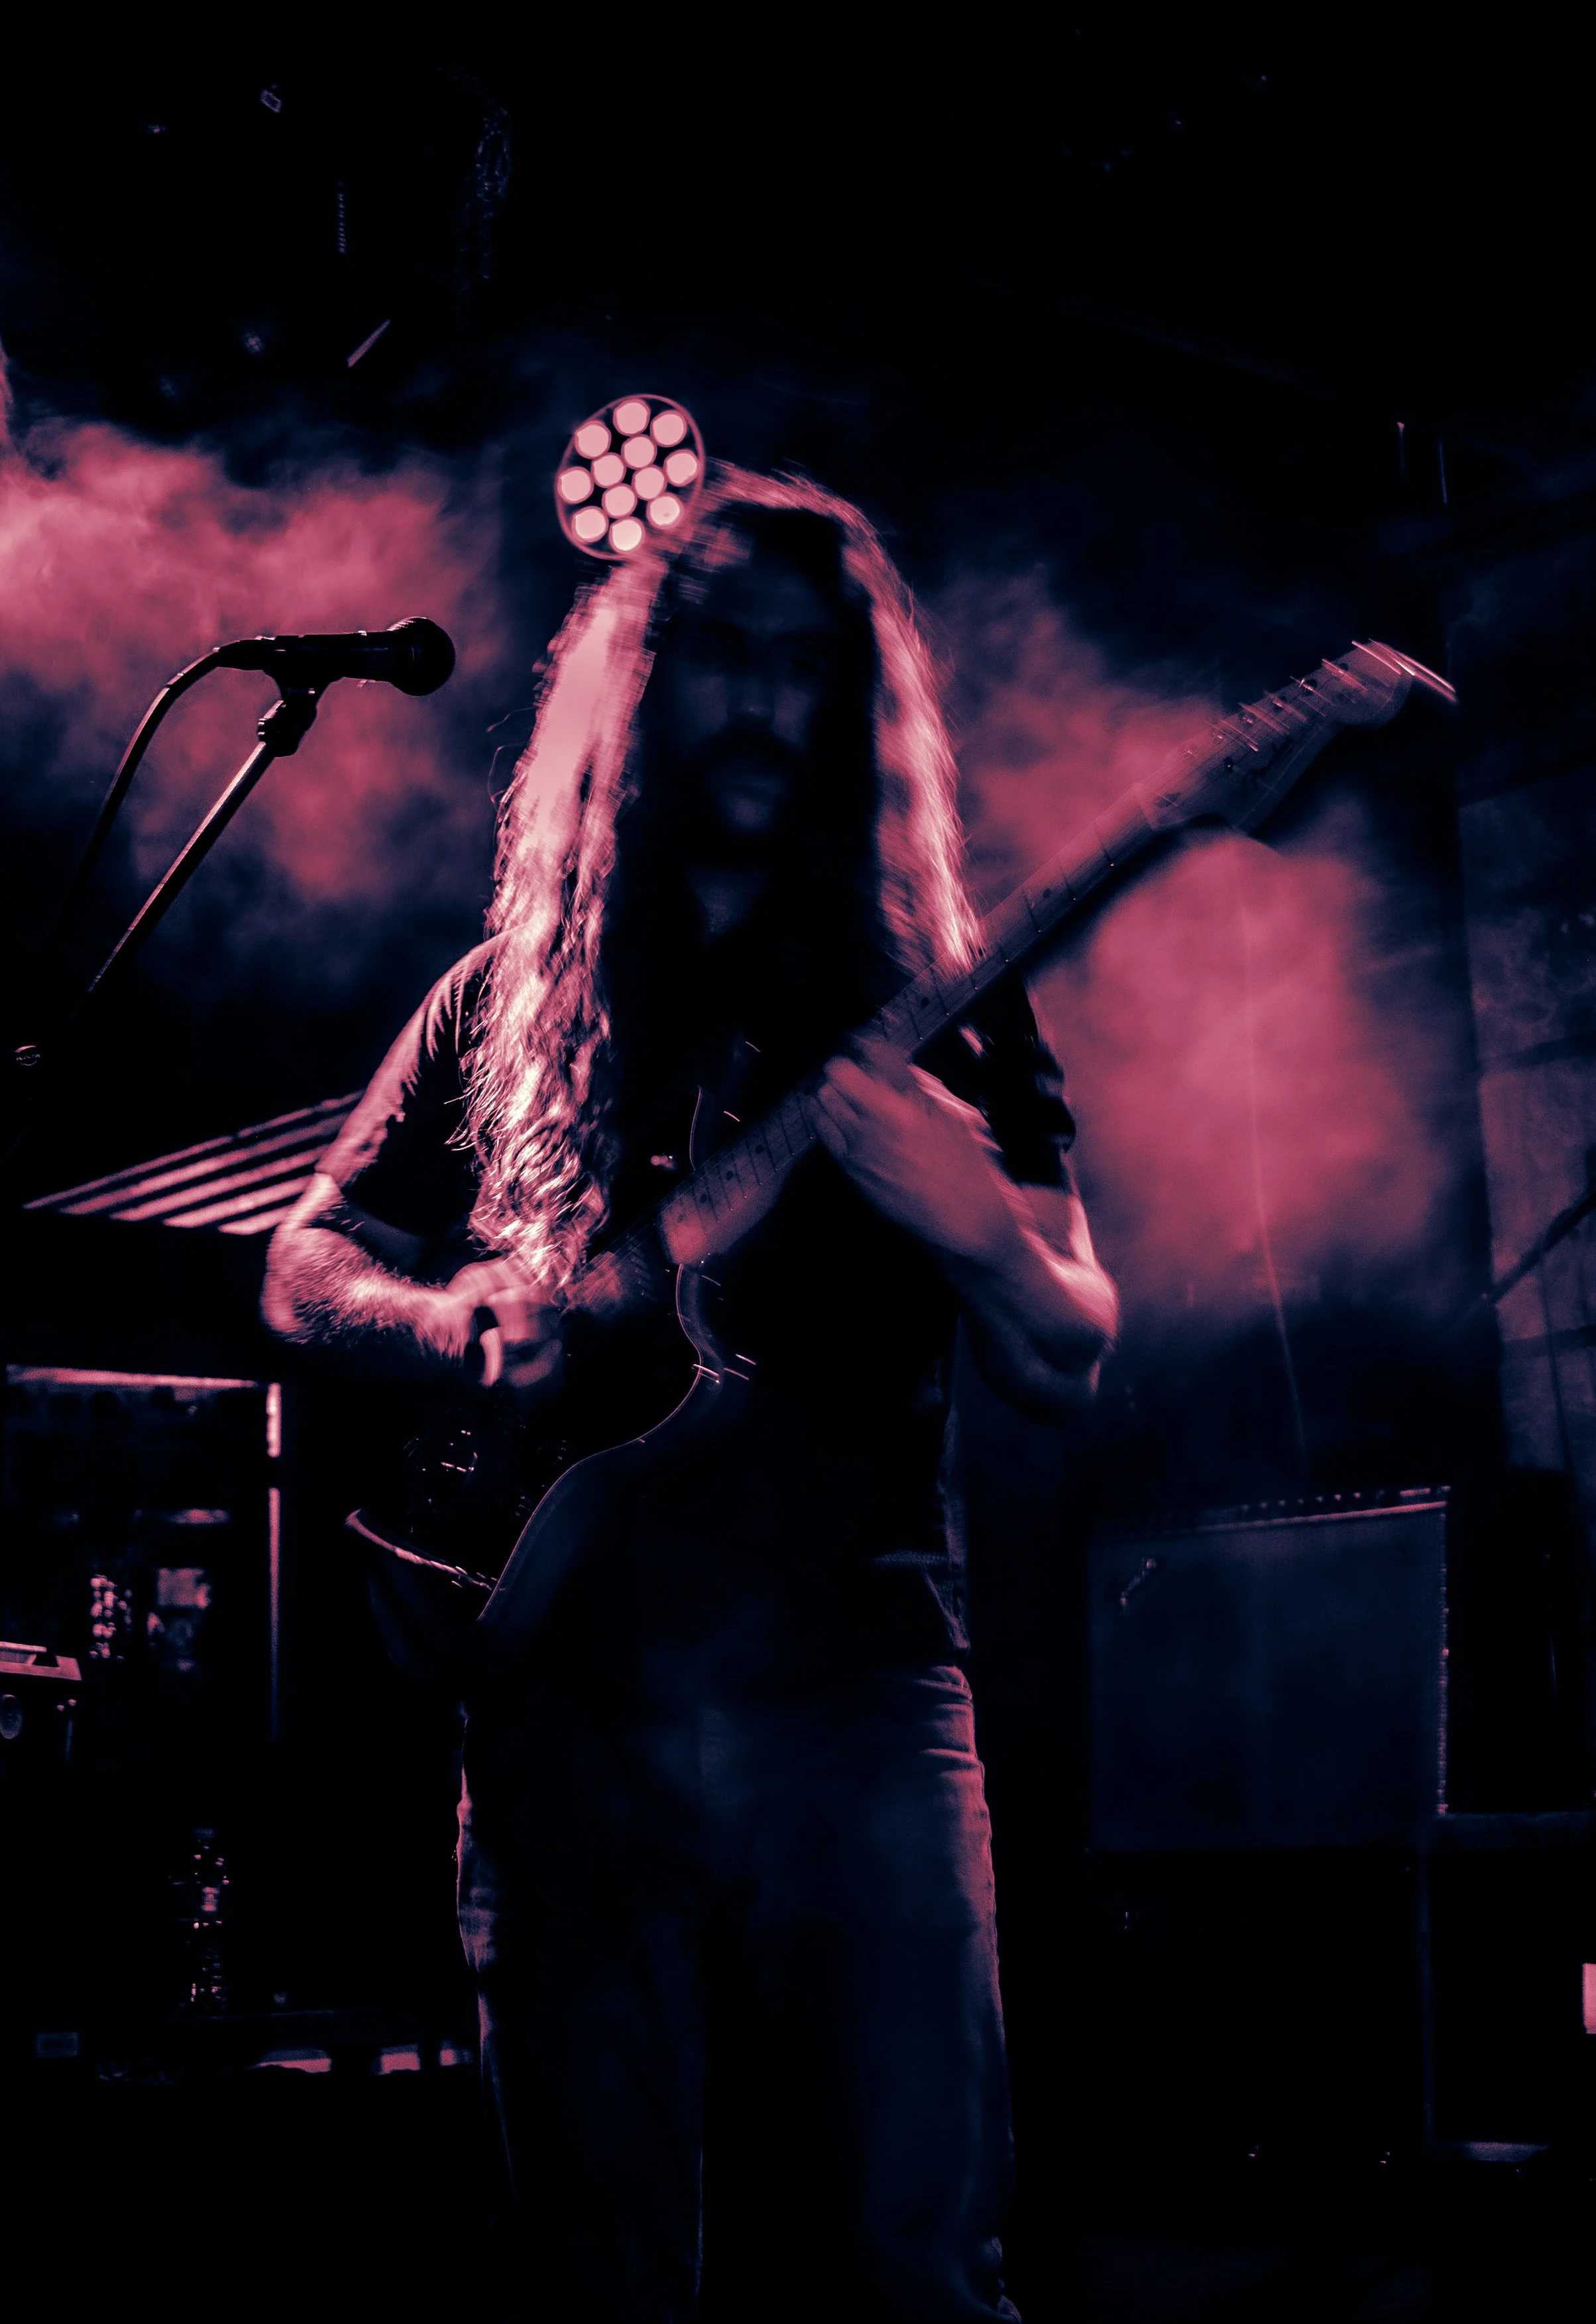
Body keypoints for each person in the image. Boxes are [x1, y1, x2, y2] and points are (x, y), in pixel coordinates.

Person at [262, 467, 1117, 2322]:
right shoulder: (505, 1002)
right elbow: (302, 1259)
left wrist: (974, 1220)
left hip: (854, 1692)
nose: (759, 707)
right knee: (598, 2278)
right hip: (560, 1696)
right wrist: (446, 1323)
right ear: (639, 691)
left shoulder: (946, 1009)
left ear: (854, 708)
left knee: (917, 2264)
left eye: (805, 671)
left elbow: (1068, 1346)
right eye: (721, 656)